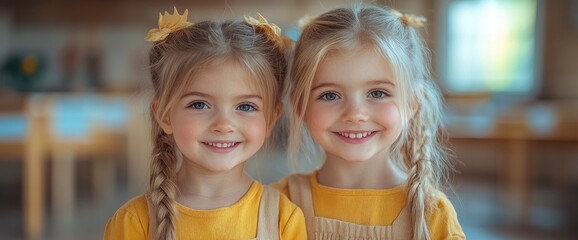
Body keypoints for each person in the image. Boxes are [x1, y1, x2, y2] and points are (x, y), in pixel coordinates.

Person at [104, 8, 306, 240]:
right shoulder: (134, 221)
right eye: (199, 104)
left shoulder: (284, 218)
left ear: (271, 118)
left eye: (246, 107)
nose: (223, 124)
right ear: (164, 115)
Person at [273, 4, 465, 240]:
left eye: (377, 93)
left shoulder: (433, 215)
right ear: (301, 106)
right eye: (330, 95)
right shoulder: (277, 204)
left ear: (412, 103)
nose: (355, 113)